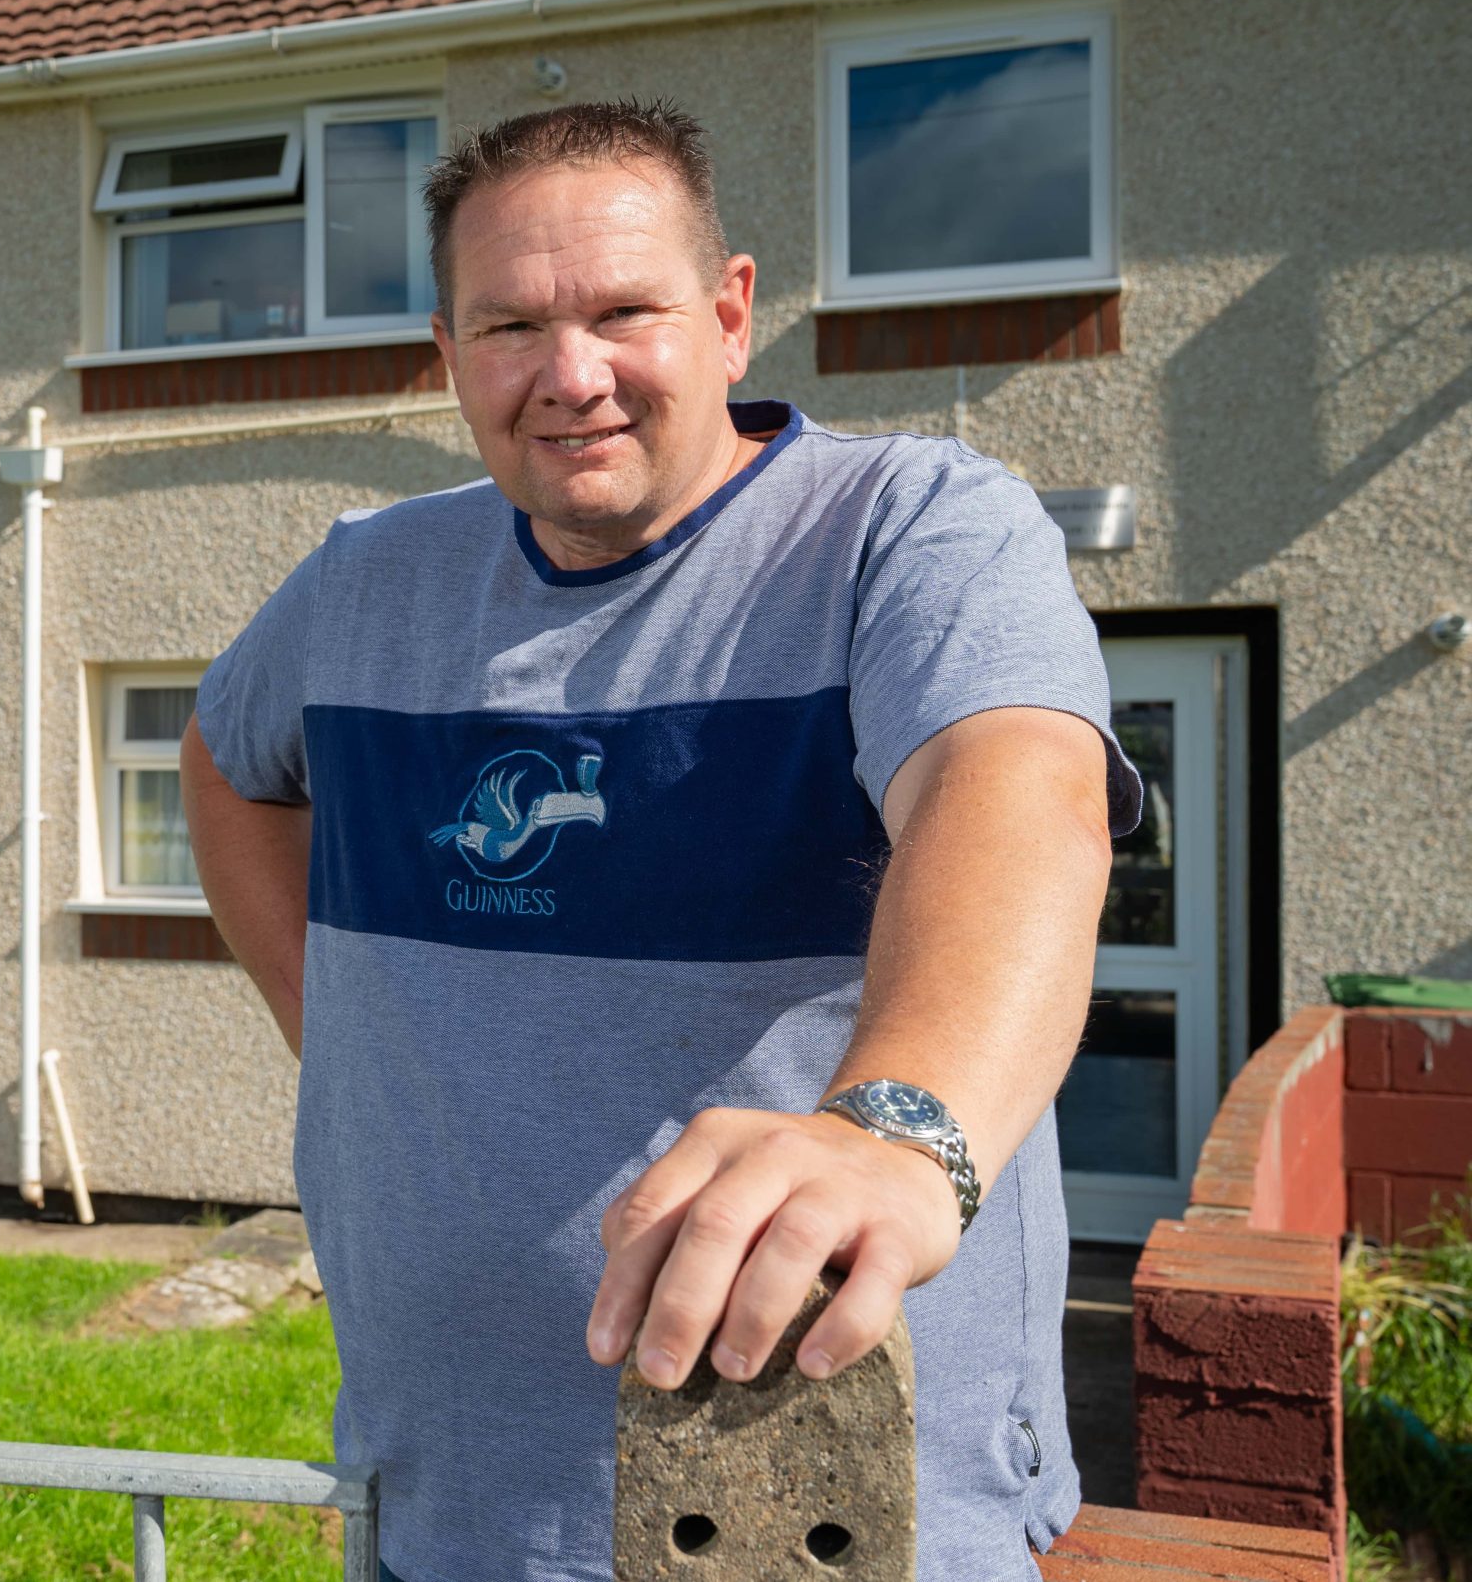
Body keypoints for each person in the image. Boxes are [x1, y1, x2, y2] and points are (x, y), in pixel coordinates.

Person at [181, 100, 1140, 1582]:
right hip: (439, 1503)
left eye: (625, 310)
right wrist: (347, 1040)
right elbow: (225, 761)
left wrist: (903, 1133)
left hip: (818, 1526)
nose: (572, 376)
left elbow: (1013, 795)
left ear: (731, 311)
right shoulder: (368, 581)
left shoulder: (911, 527)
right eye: (510, 328)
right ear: (447, 355)